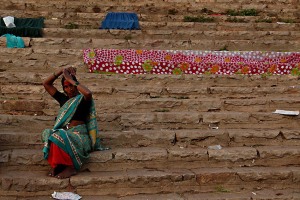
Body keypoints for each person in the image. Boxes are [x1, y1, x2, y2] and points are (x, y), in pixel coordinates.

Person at [41, 67, 103, 179]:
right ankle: (58, 166)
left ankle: (71, 168)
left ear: (75, 85)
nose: (69, 89)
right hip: (66, 132)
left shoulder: (82, 99)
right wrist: (60, 71)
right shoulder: (63, 99)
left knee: (59, 135)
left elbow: (88, 93)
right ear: (63, 89)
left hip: (79, 135)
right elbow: (46, 83)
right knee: (48, 134)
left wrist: (70, 79)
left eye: (71, 86)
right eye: (66, 87)